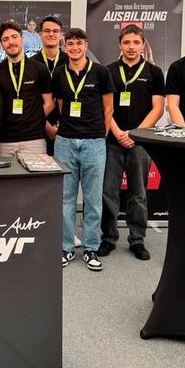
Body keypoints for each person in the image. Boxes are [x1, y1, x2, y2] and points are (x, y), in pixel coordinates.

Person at [100, 25, 165, 261]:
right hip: (112, 140)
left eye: (136, 42)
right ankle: (108, 238)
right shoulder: (107, 71)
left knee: (138, 193)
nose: (131, 47)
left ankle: (137, 239)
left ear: (142, 44)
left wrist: (135, 134)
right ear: (120, 44)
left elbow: (158, 108)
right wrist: (119, 133)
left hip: (140, 142)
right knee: (109, 192)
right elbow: (104, 108)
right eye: (126, 42)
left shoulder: (154, 72)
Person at [52, 28, 114, 272]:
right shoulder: (59, 73)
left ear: (86, 46)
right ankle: (66, 247)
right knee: (65, 198)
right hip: (65, 141)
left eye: (79, 43)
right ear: (65, 47)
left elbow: (108, 108)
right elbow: (60, 105)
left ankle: (90, 248)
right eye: (70, 44)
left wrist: (100, 134)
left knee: (93, 199)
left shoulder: (101, 72)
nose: (75, 47)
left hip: (94, 142)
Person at [0, 21, 54, 156]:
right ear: (2, 44)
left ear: (22, 39)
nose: (11, 42)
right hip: (5, 141)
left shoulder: (39, 69)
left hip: (34, 140)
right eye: (5, 39)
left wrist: (34, 119)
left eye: (14, 37)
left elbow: (49, 103)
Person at [31, 16, 67, 155]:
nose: (51, 34)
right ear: (40, 35)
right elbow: (30, 101)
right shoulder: (31, 64)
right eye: (47, 31)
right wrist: (47, 126)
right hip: (38, 128)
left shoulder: (70, 62)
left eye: (55, 31)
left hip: (67, 129)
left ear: (61, 35)